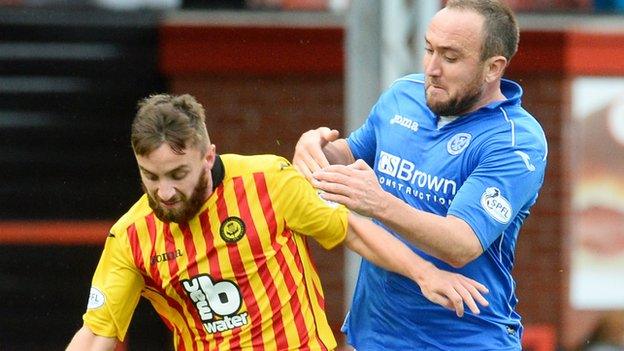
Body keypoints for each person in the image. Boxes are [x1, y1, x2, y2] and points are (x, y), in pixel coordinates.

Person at [65, 93, 489, 351]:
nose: (165, 192)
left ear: (208, 156)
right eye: (150, 177)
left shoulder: (268, 181)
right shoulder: (131, 237)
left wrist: (425, 272)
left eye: (178, 175)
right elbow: (97, 332)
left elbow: (351, 230)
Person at [293, 0, 548, 349]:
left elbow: (461, 244)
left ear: (493, 67)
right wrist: (314, 148)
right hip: (375, 335)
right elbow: (349, 155)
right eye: (428, 50)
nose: (432, 68)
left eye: (450, 57)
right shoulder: (404, 95)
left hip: (464, 338)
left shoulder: (515, 141)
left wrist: (380, 203)